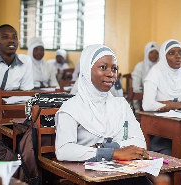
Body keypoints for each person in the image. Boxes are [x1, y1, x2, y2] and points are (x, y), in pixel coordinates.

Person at [55, 44, 151, 184]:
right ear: (87, 70)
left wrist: (102, 148)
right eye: (103, 67)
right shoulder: (71, 107)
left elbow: (140, 143)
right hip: (88, 175)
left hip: (121, 171)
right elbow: (64, 150)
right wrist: (115, 153)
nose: (110, 73)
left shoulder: (121, 104)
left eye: (114, 69)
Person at [142, 39, 181, 185]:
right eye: (171, 53)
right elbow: (147, 105)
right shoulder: (155, 72)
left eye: (180, 52)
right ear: (164, 57)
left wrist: (176, 104)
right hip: (161, 133)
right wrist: (179, 106)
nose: (178, 57)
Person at [0, 24, 34, 90]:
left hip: (16, 100)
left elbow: (26, 91)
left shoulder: (26, 61)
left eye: (14, 37)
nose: (11, 40)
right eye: (5, 37)